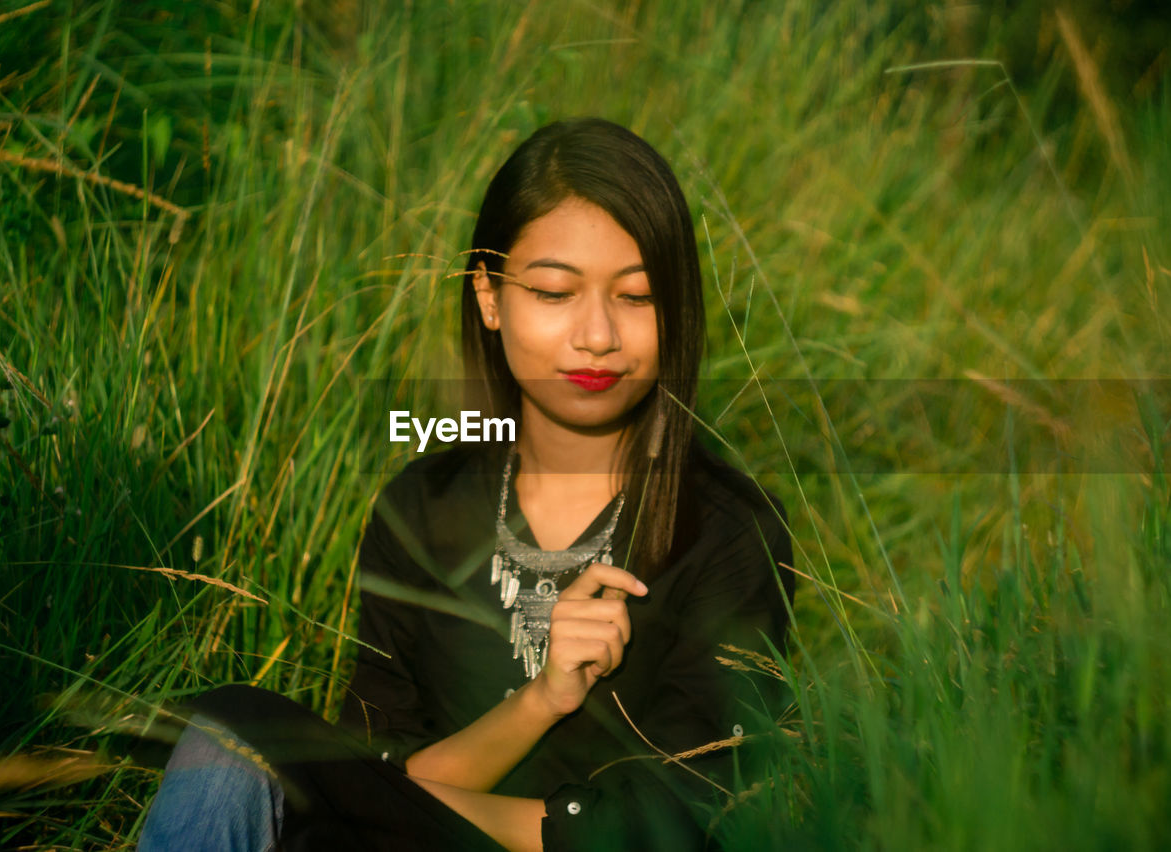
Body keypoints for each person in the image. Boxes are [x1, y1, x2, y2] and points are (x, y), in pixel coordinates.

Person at [137, 117, 794, 852]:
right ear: (489, 297)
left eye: (637, 297)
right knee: (235, 742)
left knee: (250, 739)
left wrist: (379, 806)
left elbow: (688, 812)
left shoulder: (730, 530)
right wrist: (542, 700)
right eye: (554, 292)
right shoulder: (422, 507)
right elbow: (387, 772)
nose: (598, 336)